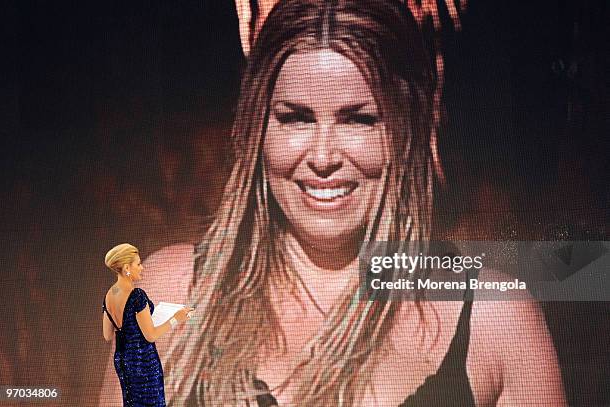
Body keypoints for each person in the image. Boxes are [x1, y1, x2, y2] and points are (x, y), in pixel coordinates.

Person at [100, 1, 567, 405]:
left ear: (404, 131)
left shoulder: (495, 317)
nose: (323, 157)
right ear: (258, 129)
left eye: (358, 120)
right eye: (295, 119)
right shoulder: (166, 293)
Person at [102, 243, 194, 406]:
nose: (142, 268)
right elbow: (150, 335)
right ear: (126, 268)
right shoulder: (137, 295)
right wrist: (176, 318)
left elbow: (108, 335)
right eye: (138, 264)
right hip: (143, 360)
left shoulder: (110, 294)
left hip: (123, 358)